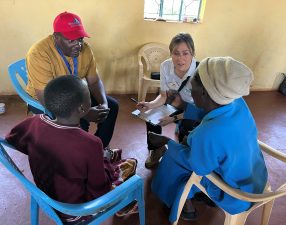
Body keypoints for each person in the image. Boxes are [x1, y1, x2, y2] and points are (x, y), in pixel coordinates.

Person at [5, 76, 137, 224]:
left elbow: (12, 139)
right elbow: (100, 189)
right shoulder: (91, 144)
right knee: (130, 164)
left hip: (45, 195)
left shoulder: (33, 122)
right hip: (76, 210)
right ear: (82, 108)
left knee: (107, 156)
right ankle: (122, 204)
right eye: (88, 95)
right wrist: (103, 160)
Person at [150, 57, 268, 222]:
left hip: (235, 195)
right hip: (255, 176)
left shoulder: (207, 133)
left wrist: (165, 142)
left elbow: (198, 166)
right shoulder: (236, 102)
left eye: (194, 82)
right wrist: (182, 105)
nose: (190, 86)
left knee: (172, 159)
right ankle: (197, 197)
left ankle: (182, 204)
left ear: (205, 92)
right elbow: (213, 111)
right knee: (187, 148)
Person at [25, 11, 118, 149]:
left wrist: (103, 103)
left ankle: (98, 147)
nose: (78, 45)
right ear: (56, 37)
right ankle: (78, 153)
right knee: (79, 120)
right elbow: (45, 97)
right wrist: (85, 113)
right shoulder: (39, 53)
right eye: (71, 40)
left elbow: (94, 81)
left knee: (111, 106)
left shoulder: (85, 50)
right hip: (47, 97)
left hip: (73, 93)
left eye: (80, 39)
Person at [136, 33, 205, 169]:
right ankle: (157, 149)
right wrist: (149, 105)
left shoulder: (200, 71)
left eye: (185, 53)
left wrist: (174, 119)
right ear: (170, 53)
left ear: (192, 54)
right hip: (175, 103)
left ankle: (182, 152)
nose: (180, 59)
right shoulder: (165, 66)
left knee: (187, 137)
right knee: (150, 114)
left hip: (194, 110)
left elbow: (202, 110)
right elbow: (163, 96)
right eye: (176, 53)